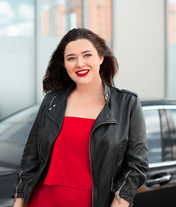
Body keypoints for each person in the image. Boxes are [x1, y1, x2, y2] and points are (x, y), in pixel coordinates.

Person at [11, 28, 148, 207]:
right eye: (71, 58)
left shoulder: (127, 103)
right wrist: (18, 202)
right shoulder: (52, 101)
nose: (80, 63)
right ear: (65, 65)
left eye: (87, 55)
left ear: (100, 58)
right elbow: (31, 159)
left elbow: (136, 167)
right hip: (42, 200)